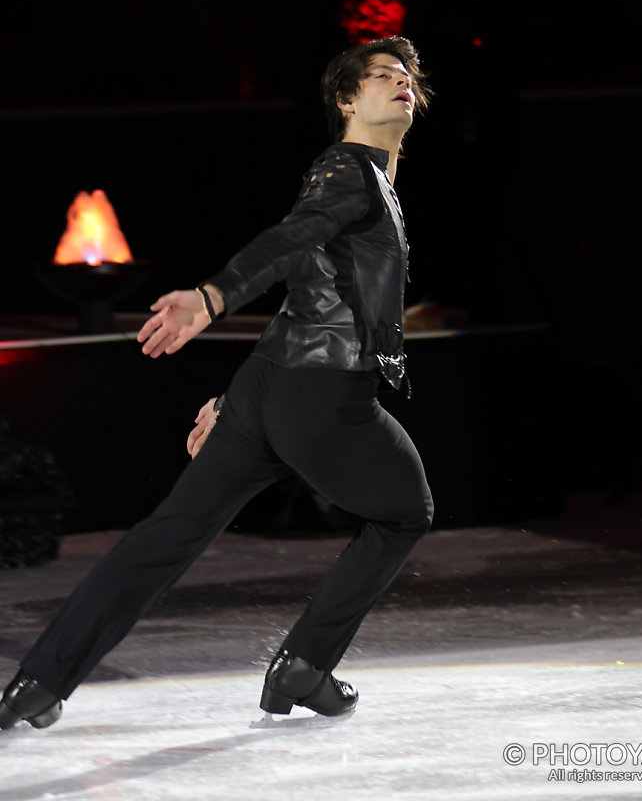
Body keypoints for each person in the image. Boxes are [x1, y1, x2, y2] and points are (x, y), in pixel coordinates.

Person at [0, 35, 434, 731]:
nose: (401, 82)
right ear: (347, 99)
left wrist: (242, 402)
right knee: (405, 512)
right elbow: (286, 241)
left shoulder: (361, 178)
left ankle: (40, 681)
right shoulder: (349, 173)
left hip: (272, 387)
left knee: (166, 538)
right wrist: (212, 296)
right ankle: (305, 665)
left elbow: (305, 291)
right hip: (323, 395)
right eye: (382, 75)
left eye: (407, 76)